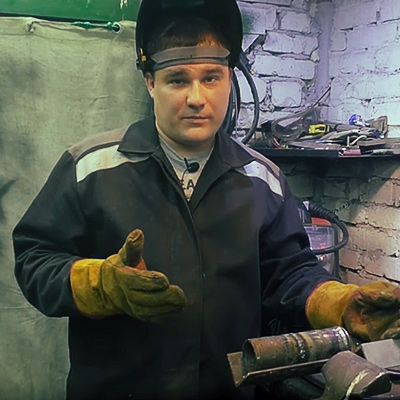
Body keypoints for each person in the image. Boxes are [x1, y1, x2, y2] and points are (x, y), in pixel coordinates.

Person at [12, 0, 400, 399]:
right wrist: (101, 284)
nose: (197, 98)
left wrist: (339, 301)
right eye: (178, 80)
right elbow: (34, 259)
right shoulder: (91, 168)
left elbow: (289, 274)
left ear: (229, 78)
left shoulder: (262, 180)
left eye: (211, 78)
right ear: (150, 82)